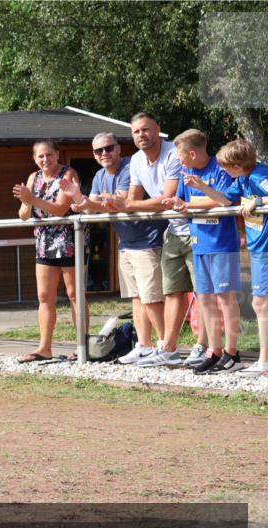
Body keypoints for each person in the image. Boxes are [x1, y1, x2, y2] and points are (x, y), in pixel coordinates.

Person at [107, 113, 204, 367]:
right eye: (136, 131)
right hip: (173, 230)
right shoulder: (137, 160)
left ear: (158, 129)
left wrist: (127, 204)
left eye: (146, 129)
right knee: (171, 292)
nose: (141, 134)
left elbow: (165, 198)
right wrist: (120, 203)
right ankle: (168, 348)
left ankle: (204, 347)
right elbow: (133, 198)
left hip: (198, 227)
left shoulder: (174, 153)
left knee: (203, 292)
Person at [64, 132, 166, 362]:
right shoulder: (100, 175)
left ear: (119, 148)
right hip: (126, 243)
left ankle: (165, 347)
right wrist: (81, 202)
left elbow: (117, 205)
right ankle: (144, 345)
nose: (104, 154)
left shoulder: (130, 167)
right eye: (98, 151)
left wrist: (85, 201)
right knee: (137, 298)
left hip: (148, 240)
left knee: (152, 298)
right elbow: (91, 208)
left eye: (108, 148)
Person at [160, 129, 243, 374]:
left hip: (222, 244)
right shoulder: (187, 173)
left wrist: (195, 199)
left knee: (225, 298)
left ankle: (232, 352)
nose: (178, 160)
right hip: (199, 243)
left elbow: (226, 201)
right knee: (205, 298)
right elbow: (185, 204)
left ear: (193, 153)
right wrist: (177, 205)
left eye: (180, 155)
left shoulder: (220, 168)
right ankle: (214, 351)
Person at [185, 138, 268, 376]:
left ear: (237, 164)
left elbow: (261, 198)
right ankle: (262, 360)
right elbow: (225, 200)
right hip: (257, 246)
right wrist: (202, 187)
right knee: (259, 303)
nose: (221, 170)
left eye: (225, 166)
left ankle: (263, 361)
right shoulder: (242, 179)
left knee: (261, 304)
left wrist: (258, 201)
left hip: (264, 247)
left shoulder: (258, 175)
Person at [12, 139, 87, 363]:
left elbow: (60, 209)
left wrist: (32, 199)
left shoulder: (68, 173)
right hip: (44, 240)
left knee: (75, 295)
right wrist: (26, 201)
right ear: (34, 159)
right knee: (44, 296)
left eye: (49, 155)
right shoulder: (33, 178)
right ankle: (44, 347)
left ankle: (82, 346)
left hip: (69, 237)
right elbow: (23, 214)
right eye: (40, 157)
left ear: (56, 154)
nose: (45, 160)